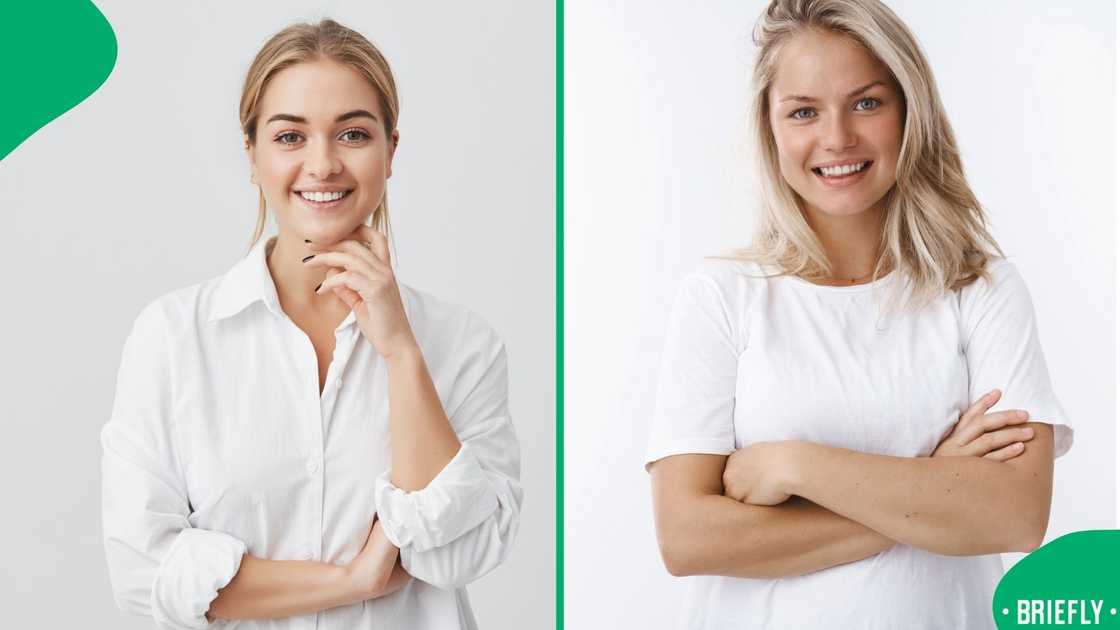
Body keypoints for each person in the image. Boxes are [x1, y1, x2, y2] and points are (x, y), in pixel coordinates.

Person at [645, 1, 1072, 628]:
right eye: (803, 112)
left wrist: (794, 465)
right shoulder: (721, 296)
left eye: (867, 102)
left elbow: (1014, 516)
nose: (837, 138)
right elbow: (688, 539)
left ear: (910, 111)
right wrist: (935, 489)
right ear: (771, 129)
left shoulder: (980, 289)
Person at [101, 19, 522, 629]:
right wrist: (354, 580)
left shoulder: (464, 346)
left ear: (390, 150)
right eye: (290, 136)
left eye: (352, 133)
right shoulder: (172, 338)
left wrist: (401, 352)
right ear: (253, 155)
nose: (322, 165)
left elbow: (460, 553)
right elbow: (145, 574)